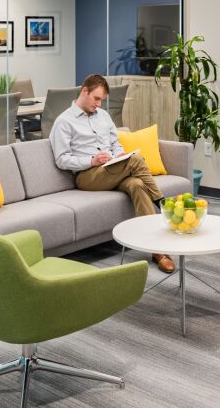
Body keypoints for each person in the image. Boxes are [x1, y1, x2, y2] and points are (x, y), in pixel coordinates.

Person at [50, 74, 175, 273]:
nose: (99, 104)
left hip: (111, 170)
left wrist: (119, 155)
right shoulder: (64, 121)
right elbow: (62, 159)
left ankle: (157, 251)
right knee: (136, 160)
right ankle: (162, 202)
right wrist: (92, 160)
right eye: (96, 99)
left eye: (102, 100)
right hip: (88, 176)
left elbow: (115, 144)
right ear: (84, 91)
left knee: (137, 185)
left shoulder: (103, 116)